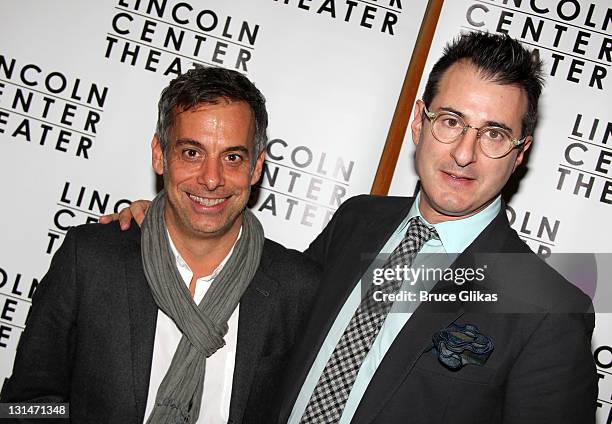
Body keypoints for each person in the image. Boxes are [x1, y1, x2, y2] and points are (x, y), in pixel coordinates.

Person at [99, 32, 598, 423]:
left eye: (494, 133)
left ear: (520, 152)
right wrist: (175, 227)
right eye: (451, 121)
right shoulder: (358, 220)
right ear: (420, 123)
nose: (465, 153)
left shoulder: (547, 311)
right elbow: (261, 309)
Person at [0, 66, 320, 424]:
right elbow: (24, 405)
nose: (211, 179)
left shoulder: (297, 290)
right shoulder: (89, 259)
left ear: (256, 167)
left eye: (232, 157)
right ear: (159, 155)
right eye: (191, 153)